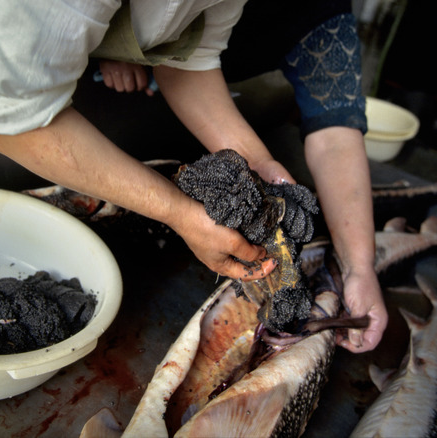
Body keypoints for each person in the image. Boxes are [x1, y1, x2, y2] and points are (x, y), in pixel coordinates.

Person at [0, 0, 386, 353]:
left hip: (19, 86)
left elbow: (187, 60)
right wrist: (179, 214)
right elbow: (0, 113)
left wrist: (256, 162)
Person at [92, 0, 387, 353]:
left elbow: (335, 135)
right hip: (111, 102)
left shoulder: (320, 14)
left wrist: (359, 266)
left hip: (224, 104)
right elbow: (22, 110)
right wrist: (117, 41)